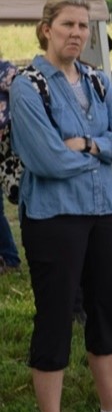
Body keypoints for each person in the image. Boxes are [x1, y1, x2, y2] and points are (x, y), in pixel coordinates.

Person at [10, 0, 112, 412]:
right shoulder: (28, 87)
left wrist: (85, 144)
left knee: (106, 307)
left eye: (84, 26)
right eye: (67, 24)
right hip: (55, 218)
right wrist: (102, 151)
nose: (77, 33)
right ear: (46, 29)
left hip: (105, 211)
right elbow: (46, 159)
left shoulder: (101, 81)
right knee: (56, 314)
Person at [0, 56, 23, 273]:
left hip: (8, 152)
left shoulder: (6, 70)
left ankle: (10, 257)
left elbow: (21, 98)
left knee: (20, 203)